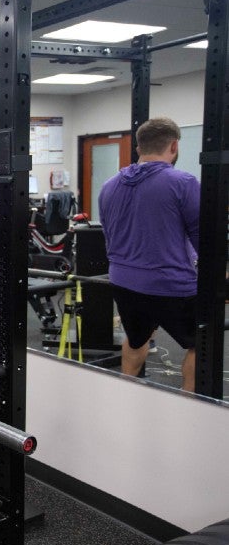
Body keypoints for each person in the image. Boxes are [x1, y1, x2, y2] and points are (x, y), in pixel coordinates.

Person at [98, 118, 199, 392]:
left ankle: (127, 392)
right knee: (201, 345)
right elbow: (202, 237)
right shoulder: (184, 182)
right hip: (172, 285)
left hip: (123, 283)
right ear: (174, 145)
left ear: (138, 147)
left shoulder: (109, 185)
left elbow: (111, 235)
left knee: (136, 338)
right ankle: (191, 407)